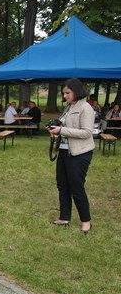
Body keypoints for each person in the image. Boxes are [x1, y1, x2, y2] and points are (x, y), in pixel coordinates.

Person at [48, 78, 94, 234]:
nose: (65, 96)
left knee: (76, 187)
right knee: (62, 185)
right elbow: (65, 125)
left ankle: (86, 221)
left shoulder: (85, 107)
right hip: (64, 151)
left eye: (68, 93)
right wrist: (56, 127)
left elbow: (87, 132)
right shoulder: (69, 107)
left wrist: (62, 131)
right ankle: (64, 217)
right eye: (63, 93)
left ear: (77, 91)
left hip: (79, 153)